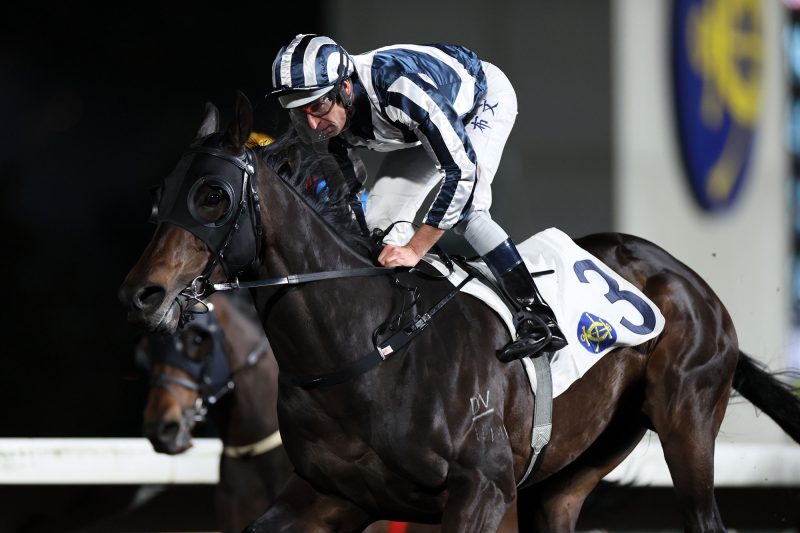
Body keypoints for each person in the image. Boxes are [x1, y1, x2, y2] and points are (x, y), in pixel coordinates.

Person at [269, 34, 566, 361]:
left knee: (468, 211)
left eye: (318, 106)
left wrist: (415, 249)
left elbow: (461, 173)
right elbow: (351, 197)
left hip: (477, 102)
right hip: (418, 125)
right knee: (378, 225)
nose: (312, 123)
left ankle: (538, 317)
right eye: (299, 111)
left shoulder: (396, 87)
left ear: (346, 87)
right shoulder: (326, 123)